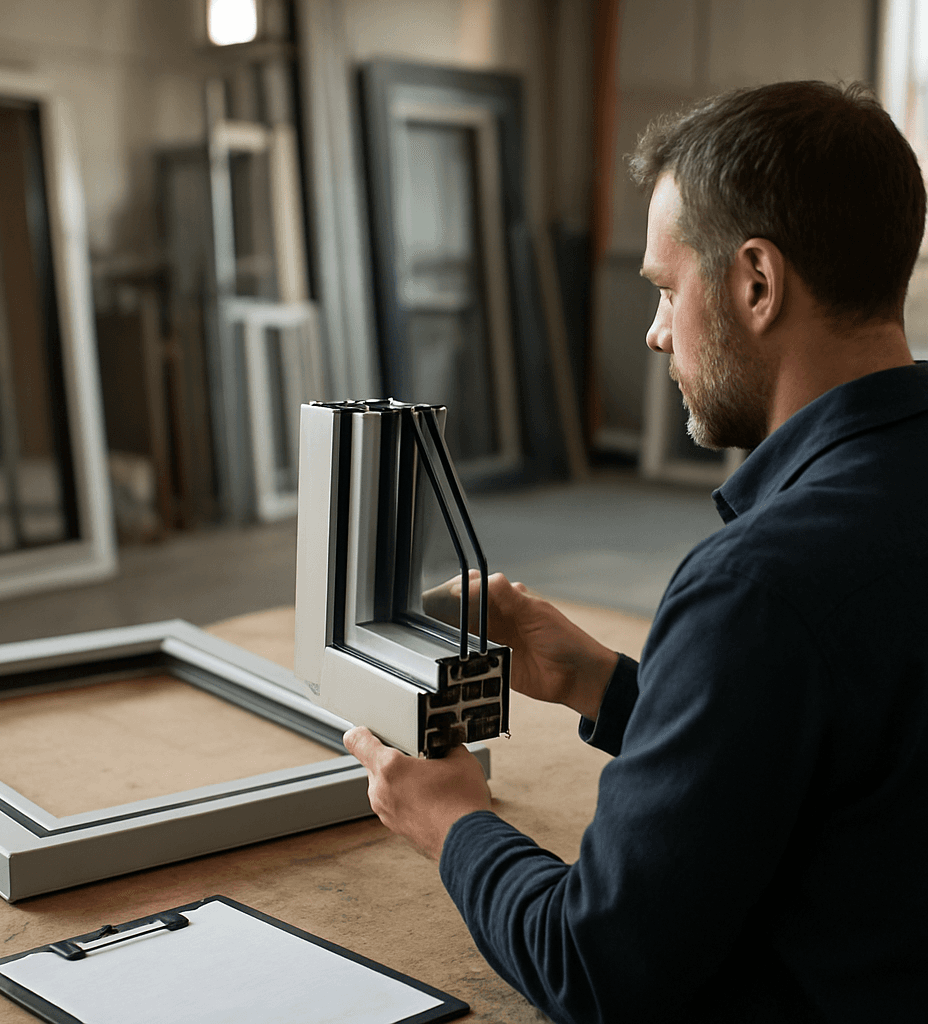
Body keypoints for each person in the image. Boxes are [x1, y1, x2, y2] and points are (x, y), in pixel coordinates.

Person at [344, 80, 928, 1023]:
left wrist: (452, 819)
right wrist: (602, 683)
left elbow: (598, 969)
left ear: (756, 283)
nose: (656, 334)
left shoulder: (758, 586)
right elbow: (844, 749)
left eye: (665, 289)